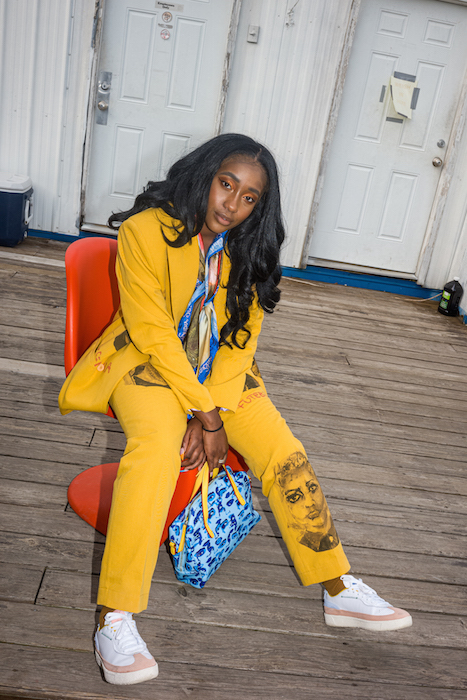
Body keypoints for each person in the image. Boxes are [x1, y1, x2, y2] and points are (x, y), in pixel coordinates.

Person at [59, 133, 412, 686]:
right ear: (206, 175)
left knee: (282, 449)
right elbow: (153, 334)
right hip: (146, 365)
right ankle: (114, 616)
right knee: (155, 450)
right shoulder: (145, 231)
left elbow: (241, 343)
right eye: (226, 185)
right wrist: (206, 418)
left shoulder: (248, 248)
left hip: (219, 380)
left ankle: (337, 585)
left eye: (249, 197)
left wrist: (213, 407)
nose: (232, 204)